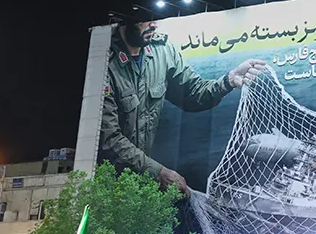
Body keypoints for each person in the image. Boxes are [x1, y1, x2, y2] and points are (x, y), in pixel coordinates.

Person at [100, 17, 267, 193]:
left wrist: (228, 80)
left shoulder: (162, 51)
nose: (154, 25)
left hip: (139, 180)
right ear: (125, 20)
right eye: (145, 20)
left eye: (156, 20)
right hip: (105, 182)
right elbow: (109, 139)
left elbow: (193, 94)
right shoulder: (104, 61)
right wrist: (158, 173)